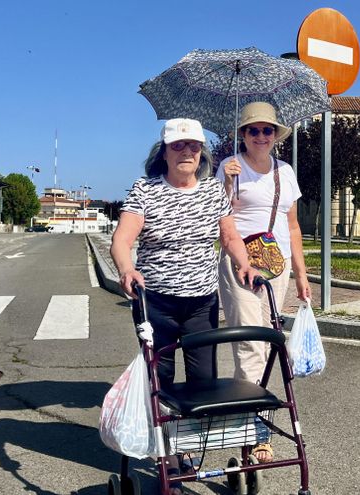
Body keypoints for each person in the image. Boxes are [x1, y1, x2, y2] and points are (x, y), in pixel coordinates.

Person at [110, 118, 256, 495]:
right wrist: (127, 269)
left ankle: (188, 448)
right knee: (161, 382)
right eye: (178, 146)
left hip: (201, 303)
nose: (186, 152)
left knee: (203, 382)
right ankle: (168, 457)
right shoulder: (145, 190)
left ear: (202, 152)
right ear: (163, 153)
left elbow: (229, 235)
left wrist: (243, 261)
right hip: (155, 301)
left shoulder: (212, 192)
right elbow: (122, 239)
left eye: (193, 146)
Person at [216, 102, 312, 463]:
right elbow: (219, 218)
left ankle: (251, 417)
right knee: (249, 345)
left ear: (276, 136)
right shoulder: (229, 167)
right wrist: (226, 184)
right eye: (253, 130)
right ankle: (253, 432)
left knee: (269, 343)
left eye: (267, 130)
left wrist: (302, 274)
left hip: (276, 264)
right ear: (242, 134)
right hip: (240, 263)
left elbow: (293, 227)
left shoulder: (285, 171)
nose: (260, 136)